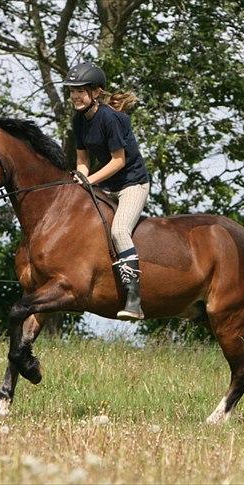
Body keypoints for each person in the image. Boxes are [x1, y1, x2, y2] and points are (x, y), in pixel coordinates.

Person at [63, 61, 150, 320]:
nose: (75, 96)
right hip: (107, 184)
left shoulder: (109, 118)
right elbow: (83, 160)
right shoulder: (79, 120)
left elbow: (118, 161)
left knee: (120, 230)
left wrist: (90, 182)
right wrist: (80, 175)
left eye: (81, 90)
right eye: (72, 91)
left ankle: (134, 299)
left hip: (133, 184)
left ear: (96, 92)